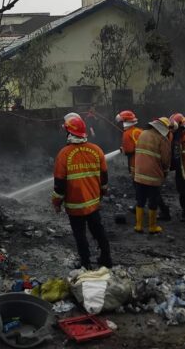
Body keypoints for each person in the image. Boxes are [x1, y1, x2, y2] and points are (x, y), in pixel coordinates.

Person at [52, 112, 113, 269]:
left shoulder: (63, 154)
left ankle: (86, 263)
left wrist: (57, 202)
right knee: (98, 230)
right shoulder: (96, 150)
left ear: (69, 132)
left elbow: (59, 184)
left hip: (74, 206)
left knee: (80, 235)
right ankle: (106, 258)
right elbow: (104, 177)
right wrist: (103, 192)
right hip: (93, 202)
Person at [133, 117, 173, 235]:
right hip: (153, 176)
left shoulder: (143, 133)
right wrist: (165, 171)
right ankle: (152, 227)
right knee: (153, 201)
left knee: (140, 200)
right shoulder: (162, 139)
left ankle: (138, 225)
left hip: (139, 174)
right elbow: (166, 160)